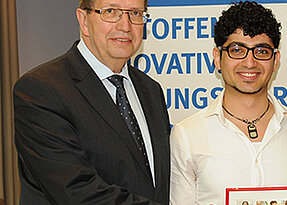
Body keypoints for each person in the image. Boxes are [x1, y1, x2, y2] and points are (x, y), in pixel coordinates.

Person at [13, 0, 171, 204]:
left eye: (135, 13)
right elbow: (77, 191)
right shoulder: (41, 90)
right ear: (83, 20)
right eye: (111, 12)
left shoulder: (150, 89)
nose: (125, 25)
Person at [169, 1, 287, 204]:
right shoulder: (187, 135)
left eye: (262, 51)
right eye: (237, 50)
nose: (250, 62)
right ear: (217, 58)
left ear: (276, 60)